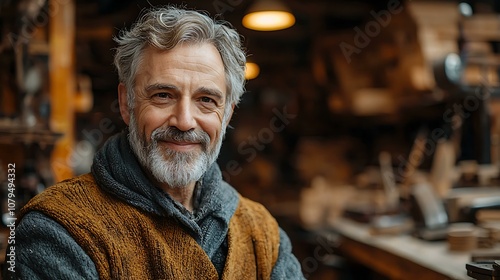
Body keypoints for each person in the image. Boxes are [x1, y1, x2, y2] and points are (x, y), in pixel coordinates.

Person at [10, 5, 305, 280]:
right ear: (127, 104)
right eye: (163, 95)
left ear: (227, 114)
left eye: (206, 100)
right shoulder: (58, 228)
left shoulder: (263, 234)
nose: (185, 120)